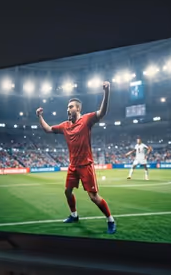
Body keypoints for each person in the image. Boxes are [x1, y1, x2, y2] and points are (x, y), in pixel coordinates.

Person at [36, 82, 117, 234]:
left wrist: (107, 91)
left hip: (86, 165)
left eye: (71, 106)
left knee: (93, 197)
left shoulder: (86, 120)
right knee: (67, 192)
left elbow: (102, 112)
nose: (68, 109)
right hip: (73, 166)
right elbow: (47, 129)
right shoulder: (65, 126)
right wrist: (40, 116)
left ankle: (110, 220)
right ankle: (74, 215)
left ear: (78, 109)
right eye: (68, 107)